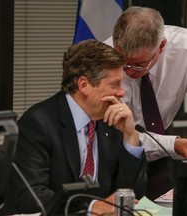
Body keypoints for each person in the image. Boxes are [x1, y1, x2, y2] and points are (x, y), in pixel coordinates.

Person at [105, 6, 187, 200]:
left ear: (161, 46)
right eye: (122, 61)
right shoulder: (103, 56)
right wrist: (172, 144)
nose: (128, 71)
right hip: (119, 155)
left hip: (161, 144)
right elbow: (115, 137)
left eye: (139, 65)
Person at [11, 39, 147, 215]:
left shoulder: (110, 121)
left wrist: (130, 136)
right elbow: (33, 198)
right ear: (84, 85)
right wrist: (92, 208)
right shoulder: (38, 124)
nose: (122, 93)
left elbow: (130, 195)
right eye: (114, 84)